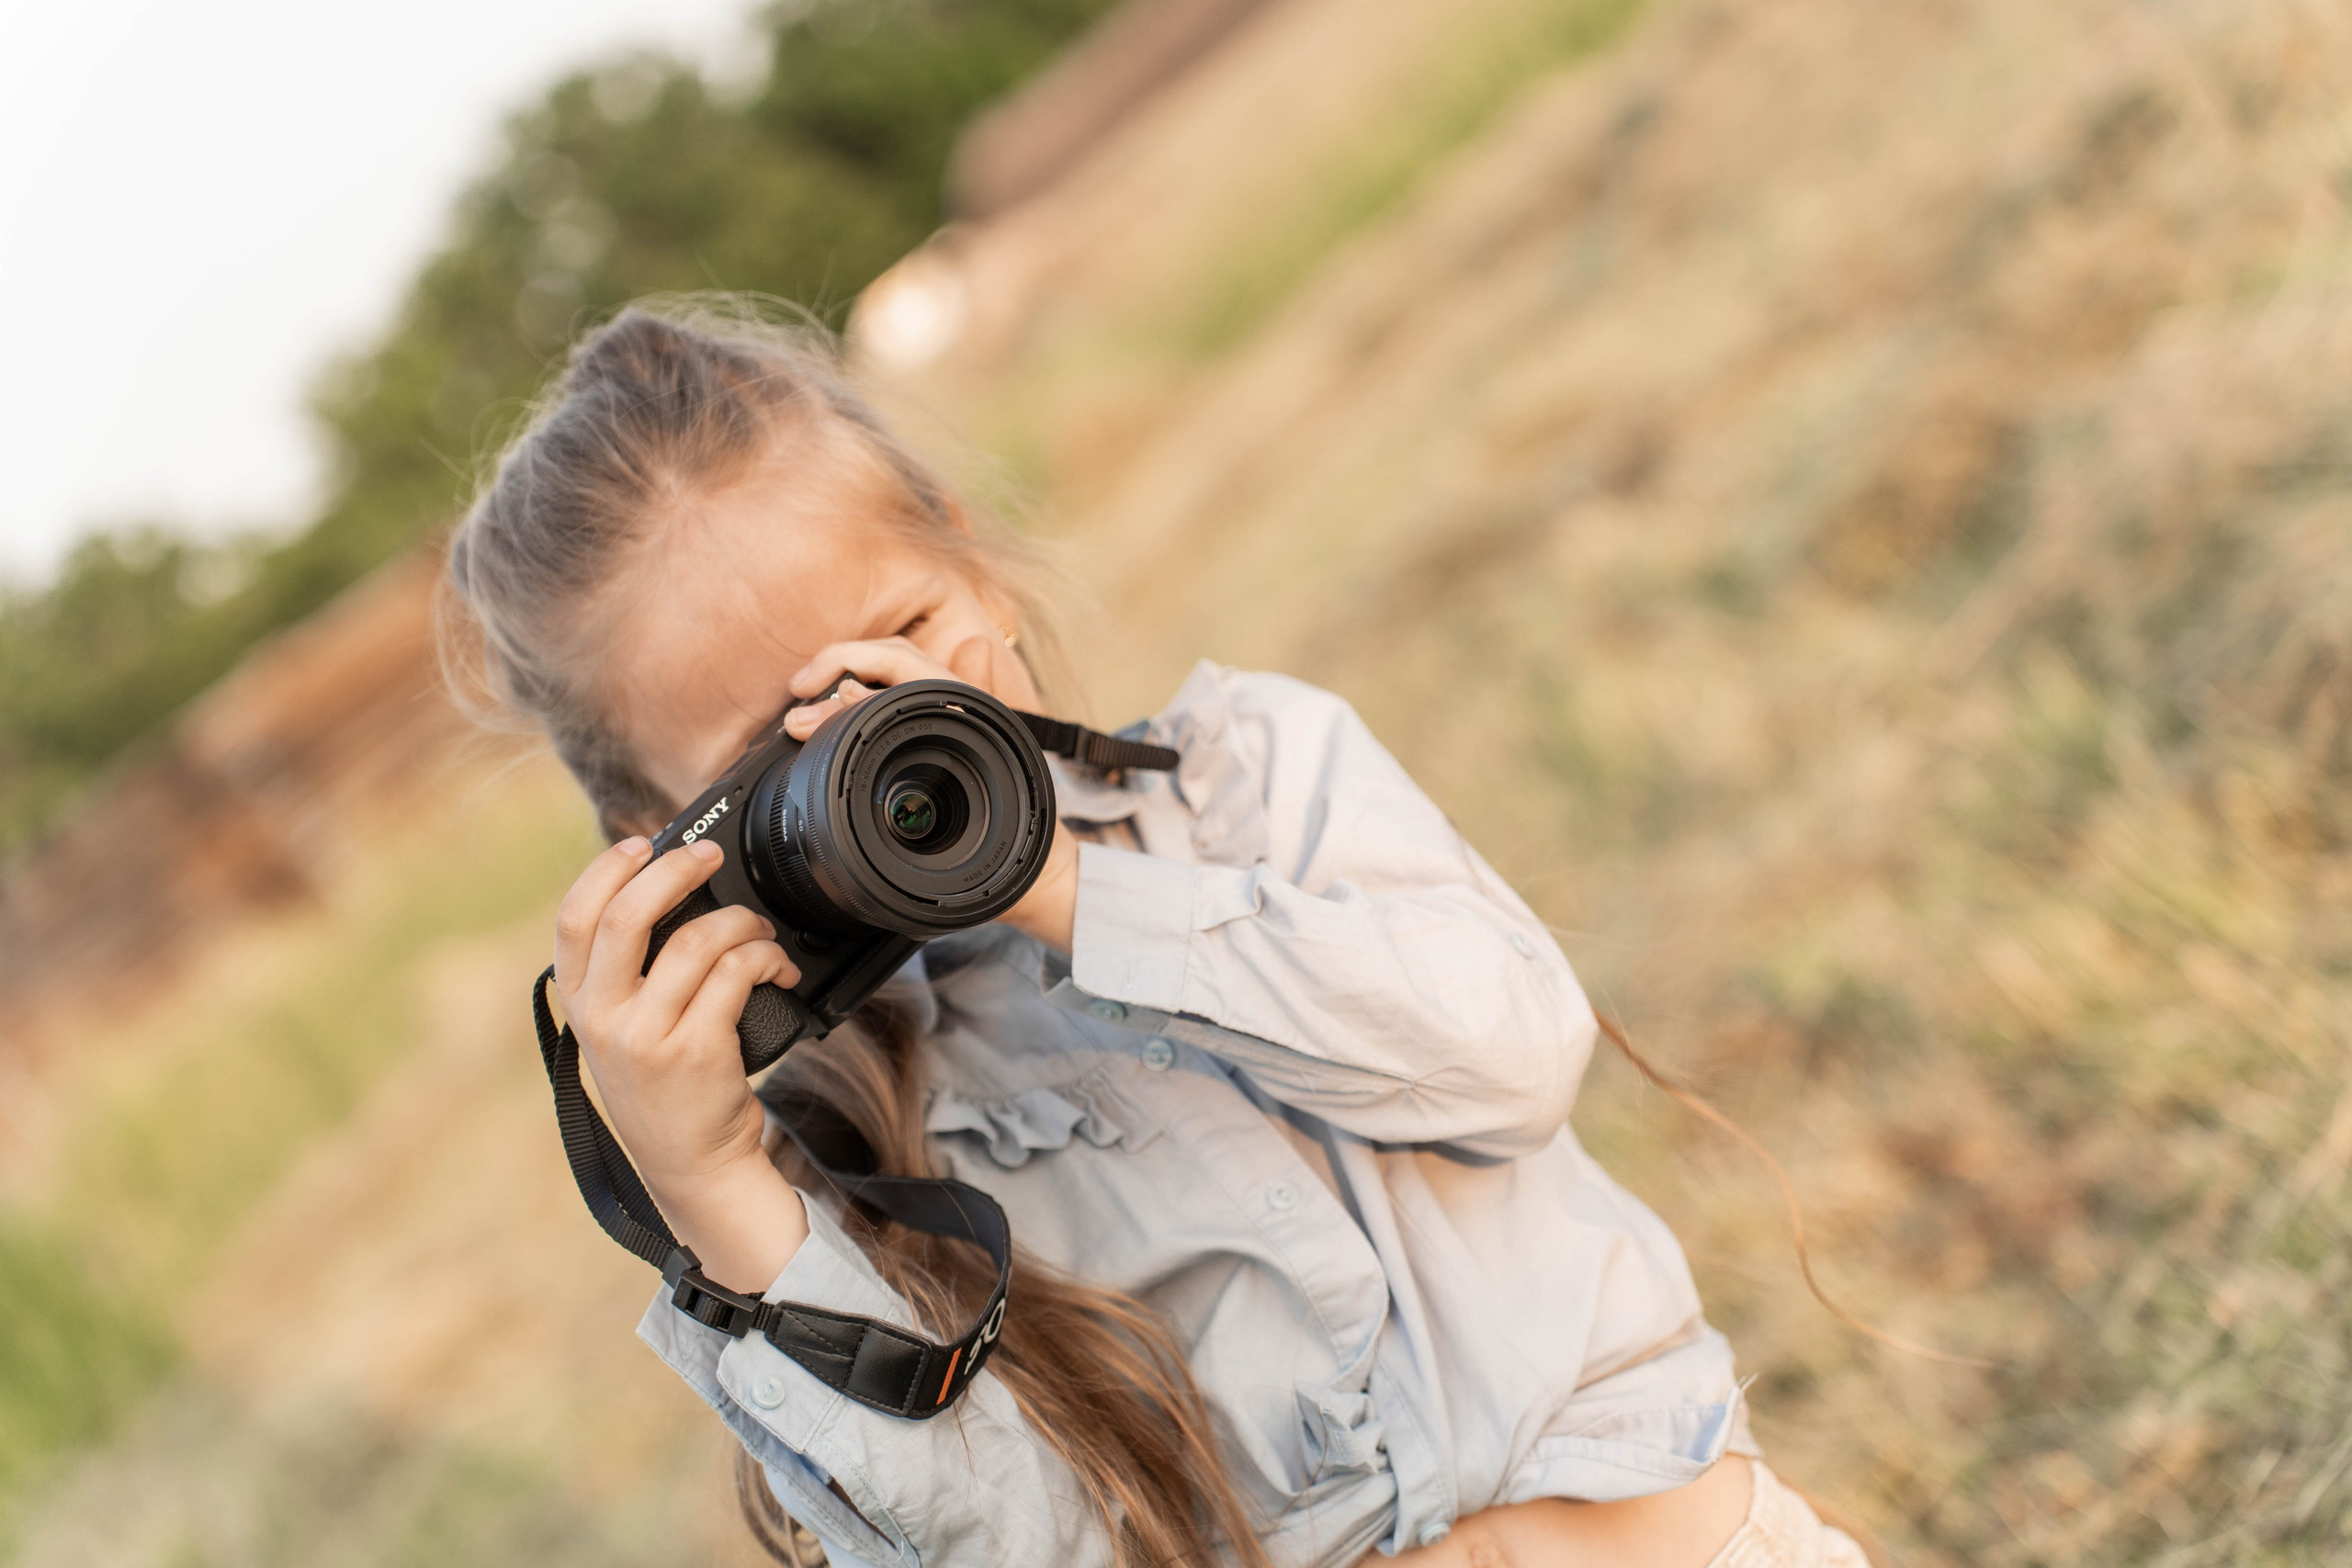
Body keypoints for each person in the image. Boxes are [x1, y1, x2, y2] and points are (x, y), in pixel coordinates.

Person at [442, 299, 1869, 1568]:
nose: (886, 757)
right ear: (660, 844)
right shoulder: (836, 1149)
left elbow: (1506, 1065)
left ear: (976, 563)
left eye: (897, 648)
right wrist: (715, 1196)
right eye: (786, 755)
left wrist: (1067, 887)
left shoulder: (1251, 773)